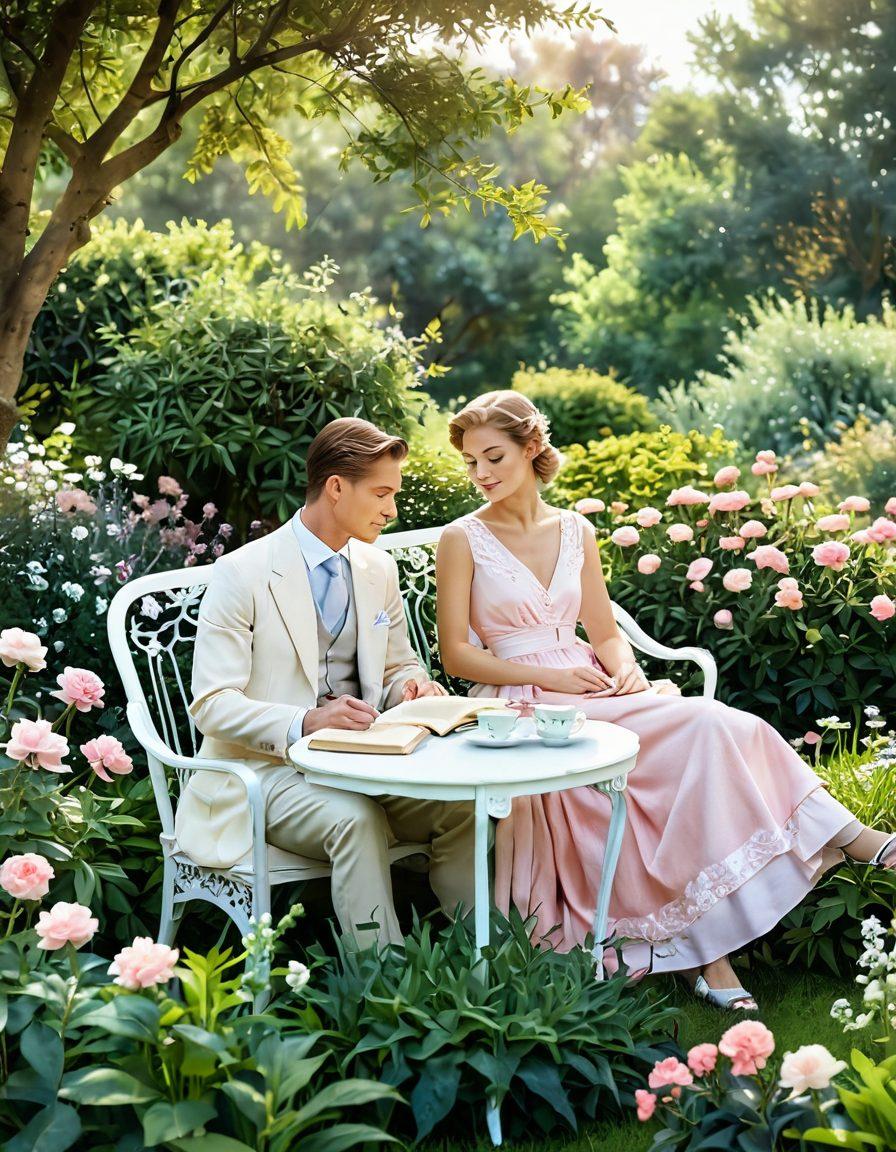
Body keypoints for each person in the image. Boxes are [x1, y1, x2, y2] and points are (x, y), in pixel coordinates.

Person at [435, 390, 896, 1011]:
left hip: (591, 684)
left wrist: (624, 669)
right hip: (522, 704)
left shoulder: (575, 530)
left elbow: (602, 631)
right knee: (641, 773)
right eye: (470, 462)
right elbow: (457, 657)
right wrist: (552, 681)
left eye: (493, 456)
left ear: (532, 448)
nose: (481, 473)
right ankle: (736, 943)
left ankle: (853, 841)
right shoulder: (461, 539)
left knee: (719, 727)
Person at [177, 417, 475, 948]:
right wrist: (305, 721)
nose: (392, 509)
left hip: (363, 764)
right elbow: (211, 703)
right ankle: (387, 990)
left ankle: (479, 964)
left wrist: (412, 688)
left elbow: (395, 668)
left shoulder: (378, 568)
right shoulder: (243, 572)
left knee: (464, 809)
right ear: (336, 487)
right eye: (382, 493)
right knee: (354, 818)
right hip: (263, 775)